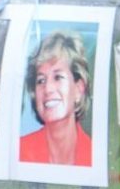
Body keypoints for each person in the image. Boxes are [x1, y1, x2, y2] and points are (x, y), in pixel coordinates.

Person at [17, 31, 96, 168]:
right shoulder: (19, 151)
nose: (48, 89)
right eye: (41, 80)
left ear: (78, 89)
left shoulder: (95, 157)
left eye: (58, 77)